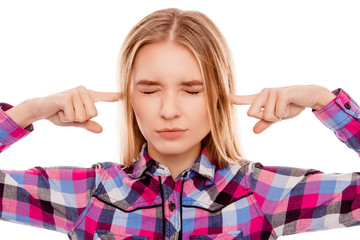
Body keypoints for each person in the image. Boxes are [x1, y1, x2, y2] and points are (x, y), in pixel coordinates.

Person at [0, 8, 359, 240]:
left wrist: (324, 102)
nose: (169, 110)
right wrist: (29, 111)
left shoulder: (261, 193)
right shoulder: (88, 195)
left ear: (219, 95)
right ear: (129, 96)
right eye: (149, 89)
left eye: (191, 90)